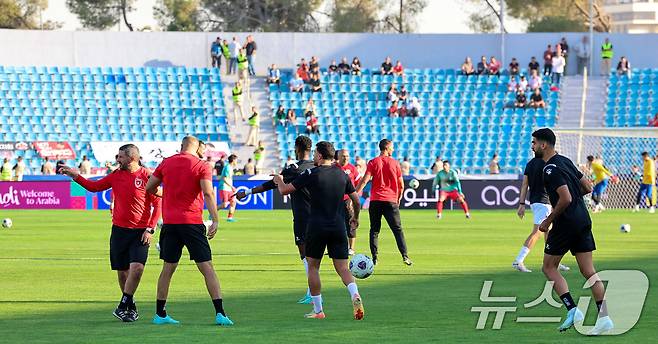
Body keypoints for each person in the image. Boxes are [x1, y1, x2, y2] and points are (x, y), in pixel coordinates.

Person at [60, 144, 162, 322]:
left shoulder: (146, 176)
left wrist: (150, 228)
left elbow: (158, 203)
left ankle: (122, 305)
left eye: (120, 157)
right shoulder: (116, 175)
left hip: (141, 232)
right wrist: (75, 176)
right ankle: (130, 307)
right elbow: (94, 187)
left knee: (137, 269)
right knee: (122, 272)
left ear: (132, 158)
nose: (117, 159)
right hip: (119, 231)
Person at [531, 128, 612, 335]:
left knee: (549, 267)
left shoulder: (549, 169)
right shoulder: (565, 161)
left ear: (543, 144)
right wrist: (575, 200)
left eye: (534, 143)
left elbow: (565, 198)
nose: (532, 147)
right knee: (589, 271)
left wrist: (547, 221)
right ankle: (605, 318)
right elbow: (587, 186)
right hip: (583, 218)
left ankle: (573, 309)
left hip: (566, 223)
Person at [145, 136, 234, 326]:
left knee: (168, 269)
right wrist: (215, 220)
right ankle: (220, 314)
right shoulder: (202, 166)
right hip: (192, 223)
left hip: (170, 224)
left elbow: (150, 187)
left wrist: (165, 193)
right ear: (196, 147)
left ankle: (160, 314)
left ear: (181, 146)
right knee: (207, 268)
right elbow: (209, 193)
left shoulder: (166, 163)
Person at [274, 141, 364, 320]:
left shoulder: (311, 173)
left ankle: (318, 310)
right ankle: (354, 293)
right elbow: (356, 199)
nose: (313, 156)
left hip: (316, 227)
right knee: (343, 268)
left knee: (313, 267)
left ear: (321, 156)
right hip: (338, 226)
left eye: (315, 153)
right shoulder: (342, 174)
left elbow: (284, 191)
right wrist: (355, 218)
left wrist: (278, 180)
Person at [235, 136, 316, 304]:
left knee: (305, 256)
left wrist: (247, 193)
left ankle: (312, 292)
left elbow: (271, 184)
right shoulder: (317, 167)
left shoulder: (294, 168)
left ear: (296, 149)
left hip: (302, 217)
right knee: (316, 256)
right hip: (320, 217)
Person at [355, 139, 412, 266]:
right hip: (391, 200)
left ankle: (374, 258)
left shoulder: (373, 162)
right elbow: (401, 185)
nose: (393, 149)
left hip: (375, 200)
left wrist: (354, 194)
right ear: (386, 148)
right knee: (397, 230)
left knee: (374, 230)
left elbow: (364, 181)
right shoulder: (395, 163)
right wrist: (398, 198)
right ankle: (405, 256)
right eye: (392, 147)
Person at [513, 156, 570, 273]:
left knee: (549, 233)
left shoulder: (530, 164)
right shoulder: (548, 163)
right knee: (537, 232)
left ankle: (553, 262)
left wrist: (522, 203)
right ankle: (518, 260)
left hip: (536, 201)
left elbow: (525, 185)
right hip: (544, 202)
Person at [336, 149, 360, 255]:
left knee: (350, 223)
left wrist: (353, 199)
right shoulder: (334, 168)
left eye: (347, 156)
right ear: (338, 157)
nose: (345, 158)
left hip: (348, 200)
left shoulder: (352, 169)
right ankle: (335, 246)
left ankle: (351, 248)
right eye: (343, 156)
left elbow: (359, 184)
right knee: (334, 224)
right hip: (335, 200)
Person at [219, 154, 238, 222]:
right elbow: (224, 178)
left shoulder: (230, 167)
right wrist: (232, 187)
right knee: (224, 205)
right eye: (236, 160)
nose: (237, 162)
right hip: (224, 188)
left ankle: (230, 218)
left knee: (233, 202)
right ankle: (212, 213)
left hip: (229, 188)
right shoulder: (227, 167)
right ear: (233, 160)